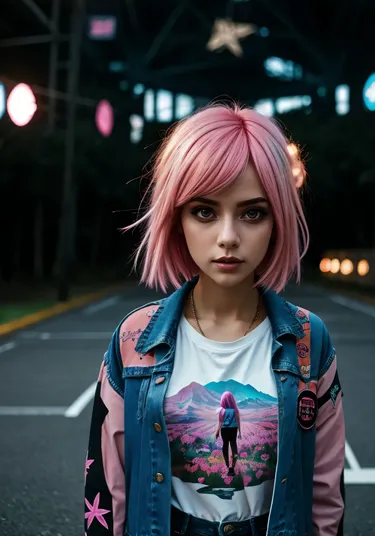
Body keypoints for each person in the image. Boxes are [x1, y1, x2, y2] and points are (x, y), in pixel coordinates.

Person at [84, 103, 345, 536]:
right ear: (177, 218)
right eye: (205, 211)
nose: (228, 237)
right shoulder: (134, 339)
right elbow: (107, 490)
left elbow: (326, 493)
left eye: (252, 212)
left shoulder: (308, 340)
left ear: (277, 220)